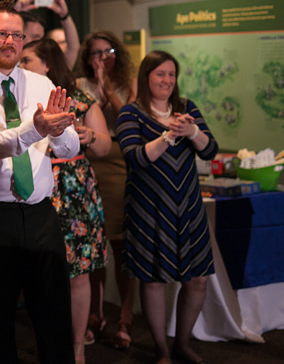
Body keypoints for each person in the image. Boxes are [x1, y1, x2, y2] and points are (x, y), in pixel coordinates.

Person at [0, 0, 79, 363]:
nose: (9, 41)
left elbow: (68, 149)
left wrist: (57, 130)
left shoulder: (42, 83)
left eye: (16, 35)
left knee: (54, 322)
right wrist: (33, 128)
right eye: (1, 34)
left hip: (41, 216)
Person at [116, 50, 217, 364]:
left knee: (198, 278)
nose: (167, 81)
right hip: (148, 210)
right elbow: (135, 157)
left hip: (188, 208)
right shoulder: (130, 113)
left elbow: (210, 151)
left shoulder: (187, 108)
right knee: (154, 279)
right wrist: (169, 135)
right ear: (147, 77)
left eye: (172, 75)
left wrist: (194, 132)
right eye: (160, 74)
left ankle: (182, 344)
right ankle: (161, 350)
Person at [20, 39, 111, 363]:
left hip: (73, 190)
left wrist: (90, 136)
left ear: (47, 65)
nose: (20, 65)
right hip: (36, 190)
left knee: (79, 272)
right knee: (39, 273)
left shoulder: (82, 101)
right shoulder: (20, 101)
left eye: (27, 59)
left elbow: (104, 148)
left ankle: (77, 347)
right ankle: (47, 341)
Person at [76, 30, 138, 348]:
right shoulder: (78, 86)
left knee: (121, 246)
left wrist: (109, 88)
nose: (102, 57)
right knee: (93, 249)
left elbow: (127, 116)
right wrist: (97, 88)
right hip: (90, 164)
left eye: (108, 51)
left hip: (120, 164)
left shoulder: (130, 84)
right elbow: (89, 115)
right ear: (86, 58)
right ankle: (95, 315)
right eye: (96, 53)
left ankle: (125, 320)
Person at [15, 0, 80, 69]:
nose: (39, 42)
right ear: (18, 35)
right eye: (35, 37)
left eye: (41, 38)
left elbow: (73, 48)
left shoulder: (49, 65)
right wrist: (14, 15)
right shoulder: (5, 63)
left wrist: (64, 15)